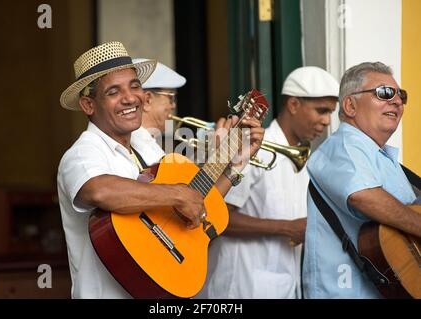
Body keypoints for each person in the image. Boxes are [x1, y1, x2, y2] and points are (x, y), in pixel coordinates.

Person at [57, 41, 265, 298]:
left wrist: (233, 167)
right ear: (88, 105)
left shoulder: (148, 150)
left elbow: (196, 202)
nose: (131, 97)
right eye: (114, 91)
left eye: (135, 86)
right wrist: (177, 194)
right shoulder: (83, 153)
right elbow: (99, 190)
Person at [199, 66, 339, 298]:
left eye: (330, 113)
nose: (326, 121)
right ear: (293, 105)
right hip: (240, 286)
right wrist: (286, 228)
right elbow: (218, 216)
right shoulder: (256, 149)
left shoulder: (306, 157)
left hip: (283, 286)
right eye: (321, 110)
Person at [303, 61, 421, 298]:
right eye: (385, 93)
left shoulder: (377, 154)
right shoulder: (344, 145)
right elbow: (363, 196)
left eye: (401, 95)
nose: (397, 101)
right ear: (350, 105)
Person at [130, 58, 185, 153]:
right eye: (171, 98)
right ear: (147, 100)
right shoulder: (139, 144)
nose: (174, 105)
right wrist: (217, 157)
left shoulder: (147, 141)